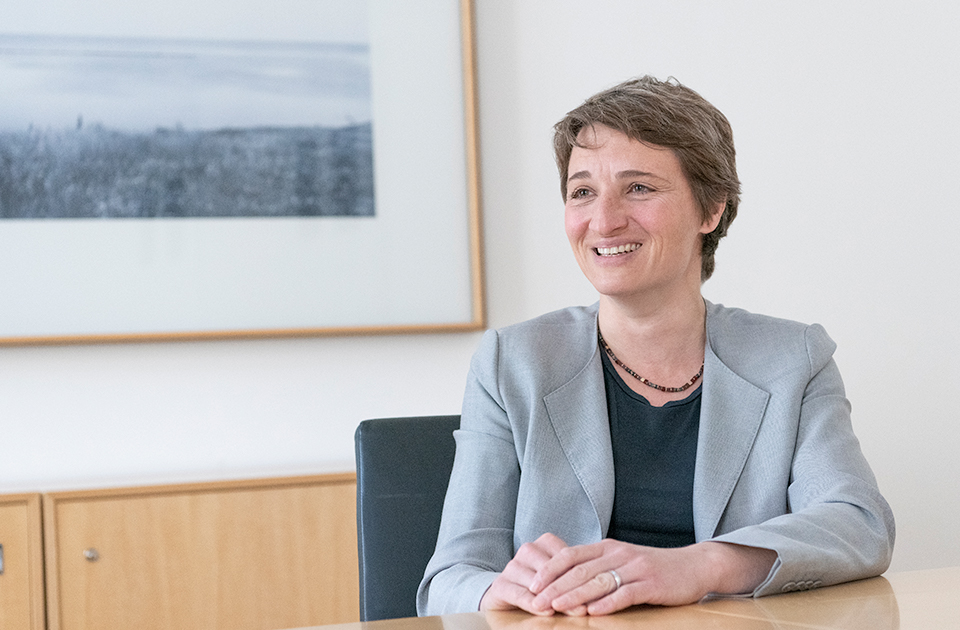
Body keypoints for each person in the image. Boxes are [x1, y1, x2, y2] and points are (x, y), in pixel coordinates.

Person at [417, 76, 895, 617]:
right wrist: (501, 592)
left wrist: (700, 565)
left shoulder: (793, 358)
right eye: (582, 192)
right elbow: (450, 578)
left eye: (639, 188)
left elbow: (859, 524)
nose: (604, 221)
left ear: (711, 209)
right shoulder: (512, 362)